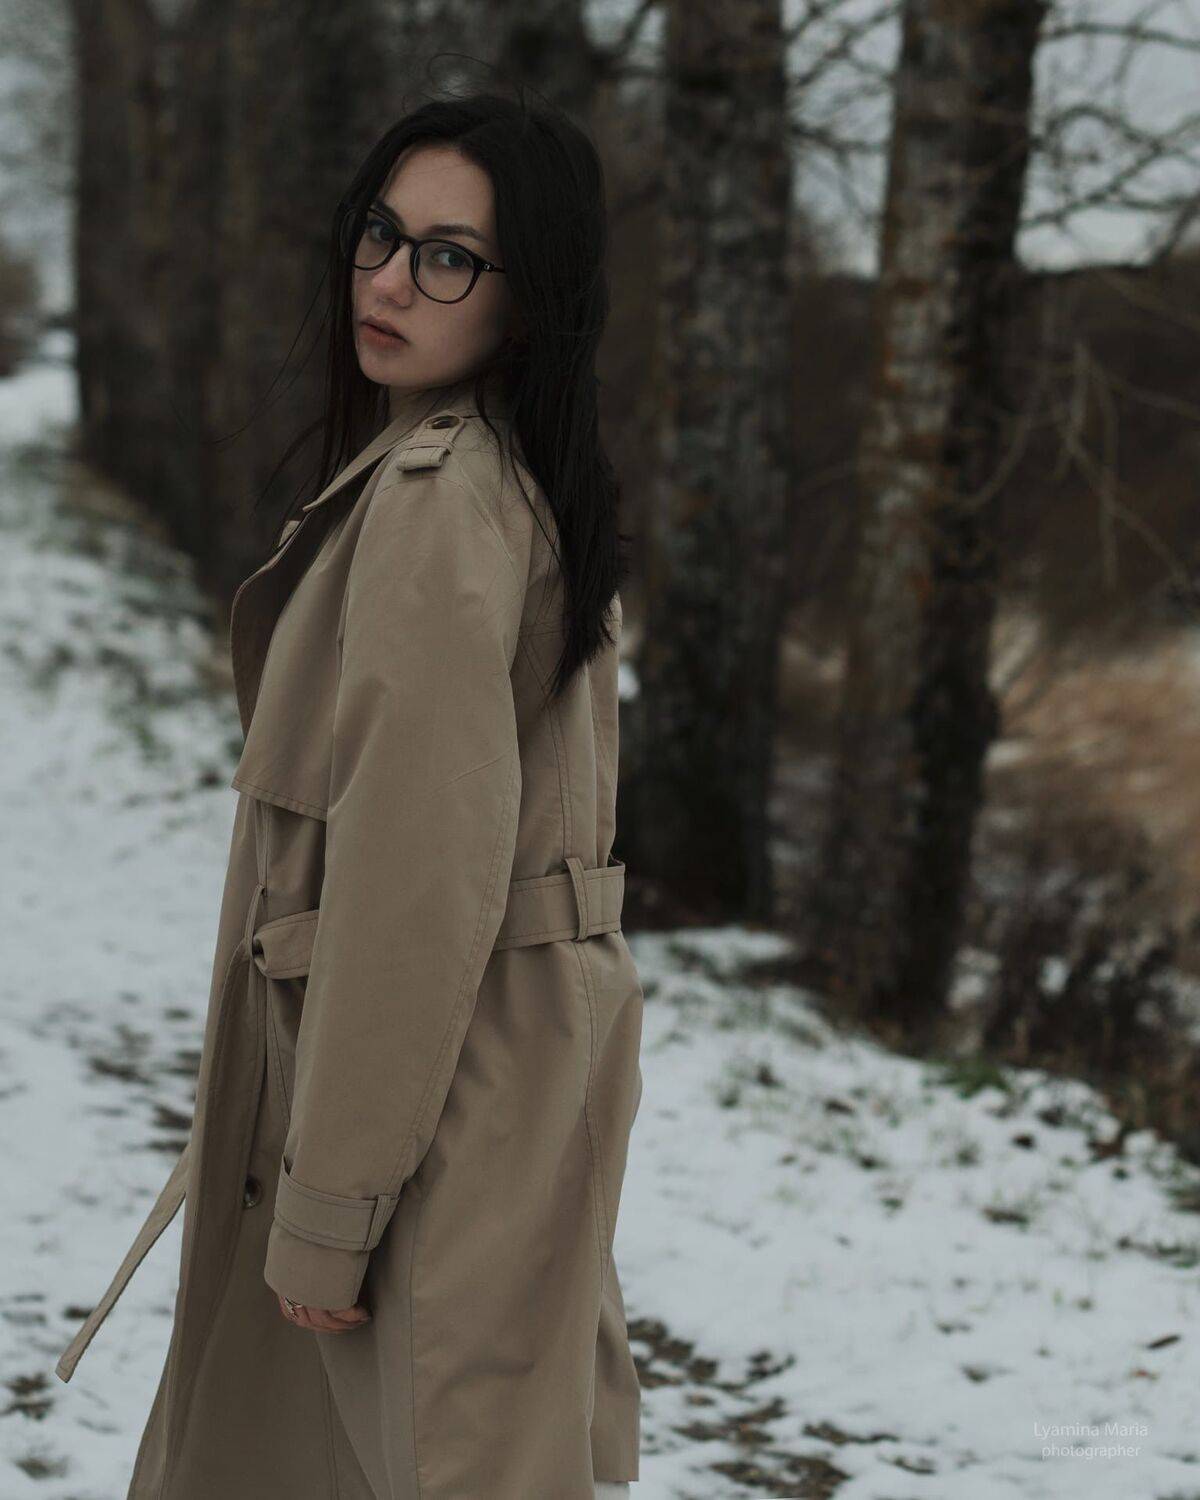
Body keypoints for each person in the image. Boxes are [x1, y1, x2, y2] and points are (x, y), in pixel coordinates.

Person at [54, 89, 644, 1500]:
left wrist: (330, 1210)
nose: (386, 281)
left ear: (528, 299)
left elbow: (413, 888)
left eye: (448, 258)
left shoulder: (445, 503)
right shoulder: (496, 478)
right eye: (381, 234)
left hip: (431, 1102)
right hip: (487, 1076)